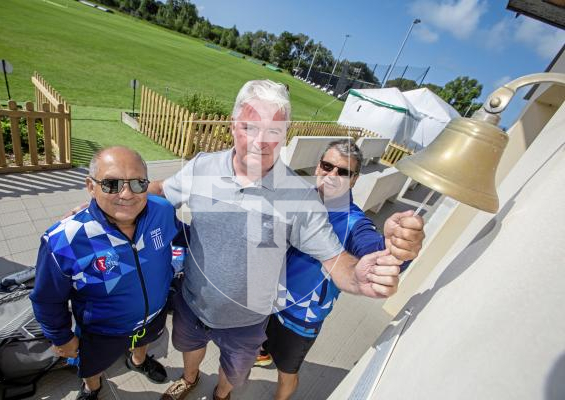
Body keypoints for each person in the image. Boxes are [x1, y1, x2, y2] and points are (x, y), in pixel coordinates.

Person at [149, 80, 424, 400]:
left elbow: (343, 258)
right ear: (234, 124)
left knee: (245, 374)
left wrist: (378, 262)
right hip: (205, 304)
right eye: (251, 127)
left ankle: (222, 396)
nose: (260, 141)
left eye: (274, 131)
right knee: (198, 351)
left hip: (265, 320)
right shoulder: (203, 167)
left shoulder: (314, 205)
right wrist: (117, 197)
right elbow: (162, 191)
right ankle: (191, 378)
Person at [256, 140, 421, 399]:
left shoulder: (352, 222)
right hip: (269, 299)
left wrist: (396, 247)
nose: (333, 175)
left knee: (287, 372)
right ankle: (263, 352)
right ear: (318, 166)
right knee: (260, 340)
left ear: (354, 180)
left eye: (343, 172)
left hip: (301, 317)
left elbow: (371, 247)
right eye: (327, 166)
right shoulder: (302, 198)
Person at [30, 146, 181, 400]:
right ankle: (92, 387)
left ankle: (138, 360)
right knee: (92, 365)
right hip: (102, 331)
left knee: (145, 341)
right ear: (91, 186)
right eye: (112, 184)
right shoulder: (65, 240)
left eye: (138, 183)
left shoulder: (162, 211)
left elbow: (180, 235)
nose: (127, 194)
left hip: (154, 314)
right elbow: (47, 299)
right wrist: (62, 338)